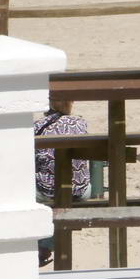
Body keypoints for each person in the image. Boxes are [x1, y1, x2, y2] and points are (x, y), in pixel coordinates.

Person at [34, 99, 91, 267]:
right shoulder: (81, 123)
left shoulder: (38, 126)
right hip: (81, 190)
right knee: (58, 197)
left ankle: (42, 247)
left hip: (47, 190)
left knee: (34, 193)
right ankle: (45, 247)